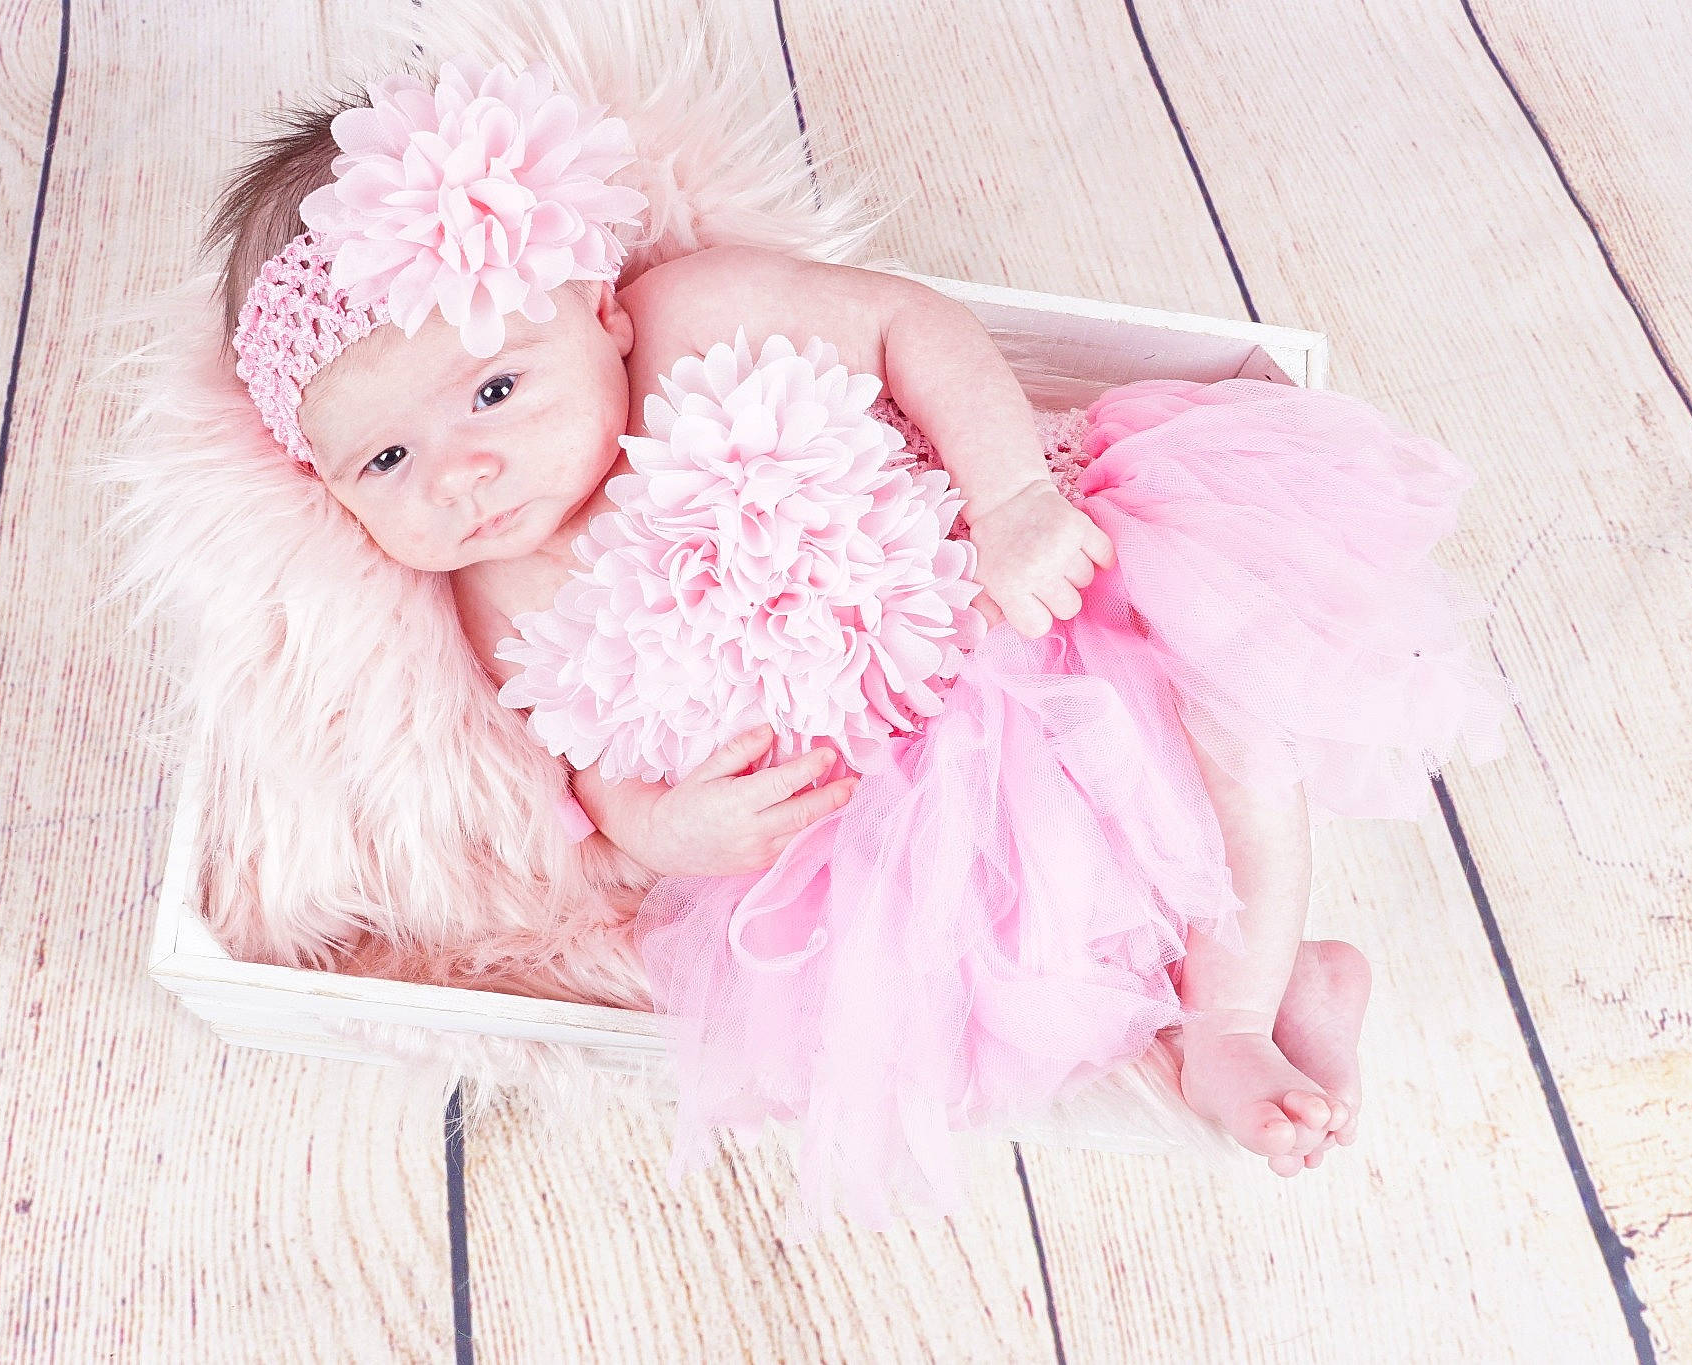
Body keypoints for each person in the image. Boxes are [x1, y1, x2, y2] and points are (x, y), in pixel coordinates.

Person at [108, 14, 1515, 1243]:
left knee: (1225, 725)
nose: (460, 475)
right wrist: (654, 835)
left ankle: (1230, 1010)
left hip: (1016, 604)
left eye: (491, 394)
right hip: (881, 796)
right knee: (970, 966)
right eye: (385, 465)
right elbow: (574, 735)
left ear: (596, 308)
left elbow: (908, 324)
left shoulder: (694, 313)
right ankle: (1244, 1009)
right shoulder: (487, 584)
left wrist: (1015, 497)